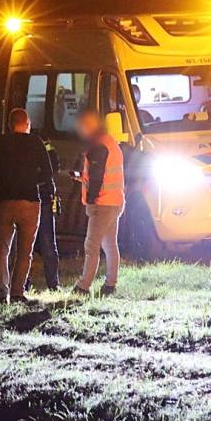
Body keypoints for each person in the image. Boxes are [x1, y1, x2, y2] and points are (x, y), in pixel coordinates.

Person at [0, 108, 55, 306]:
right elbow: (48, 173)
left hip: (3, 201)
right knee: (25, 251)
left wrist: (3, 179)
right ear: (27, 124)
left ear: (9, 124)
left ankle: (0, 292)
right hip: (30, 202)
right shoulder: (35, 142)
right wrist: (32, 180)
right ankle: (17, 292)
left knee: (1, 249)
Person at [73, 109, 125, 296]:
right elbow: (100, 174)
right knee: (110, 244)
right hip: (115, 200)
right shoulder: (110, 142)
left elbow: (96, 178)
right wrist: (83, 179)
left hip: (102, 203)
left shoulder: (98, 146)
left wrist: (90, 201)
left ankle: (83, 286)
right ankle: (110, 284)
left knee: (91, 245)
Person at [32, 133, 61, 291]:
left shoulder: (12, 142)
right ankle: (53, 285)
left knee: (23, 246)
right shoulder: (44, 141)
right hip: (42, 196)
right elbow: (54, 167)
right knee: (48, 243)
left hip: (29, 196)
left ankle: (21, 285)